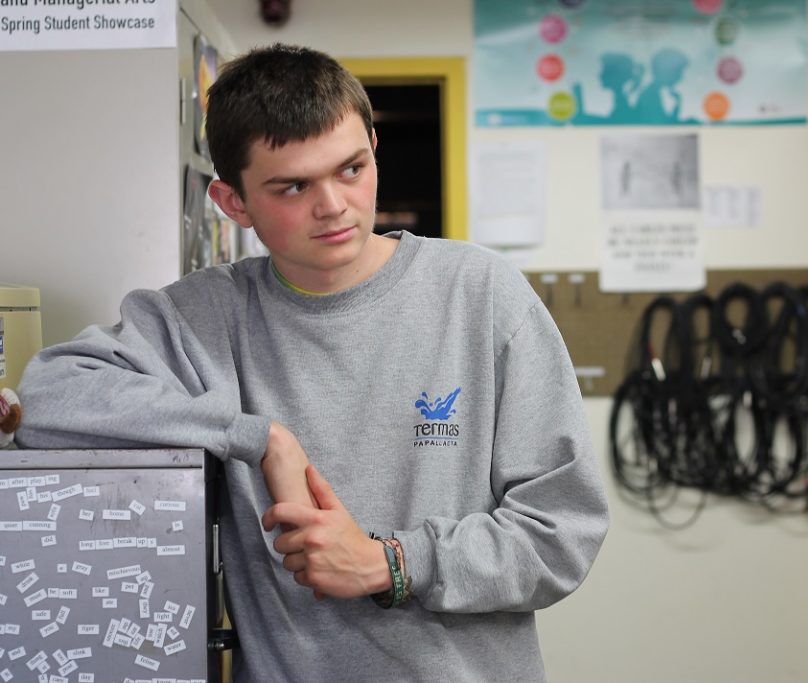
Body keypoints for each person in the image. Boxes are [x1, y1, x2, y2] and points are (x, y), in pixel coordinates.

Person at [16, 43, 609, 682]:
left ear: (374, 147)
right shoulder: (200, 318)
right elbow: (46, 398)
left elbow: (561, 532)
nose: (333, 205)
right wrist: (258, 436)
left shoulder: (483, 294)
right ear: (232, 203)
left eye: (351, 169)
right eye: (294, 186)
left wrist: (389, 563)